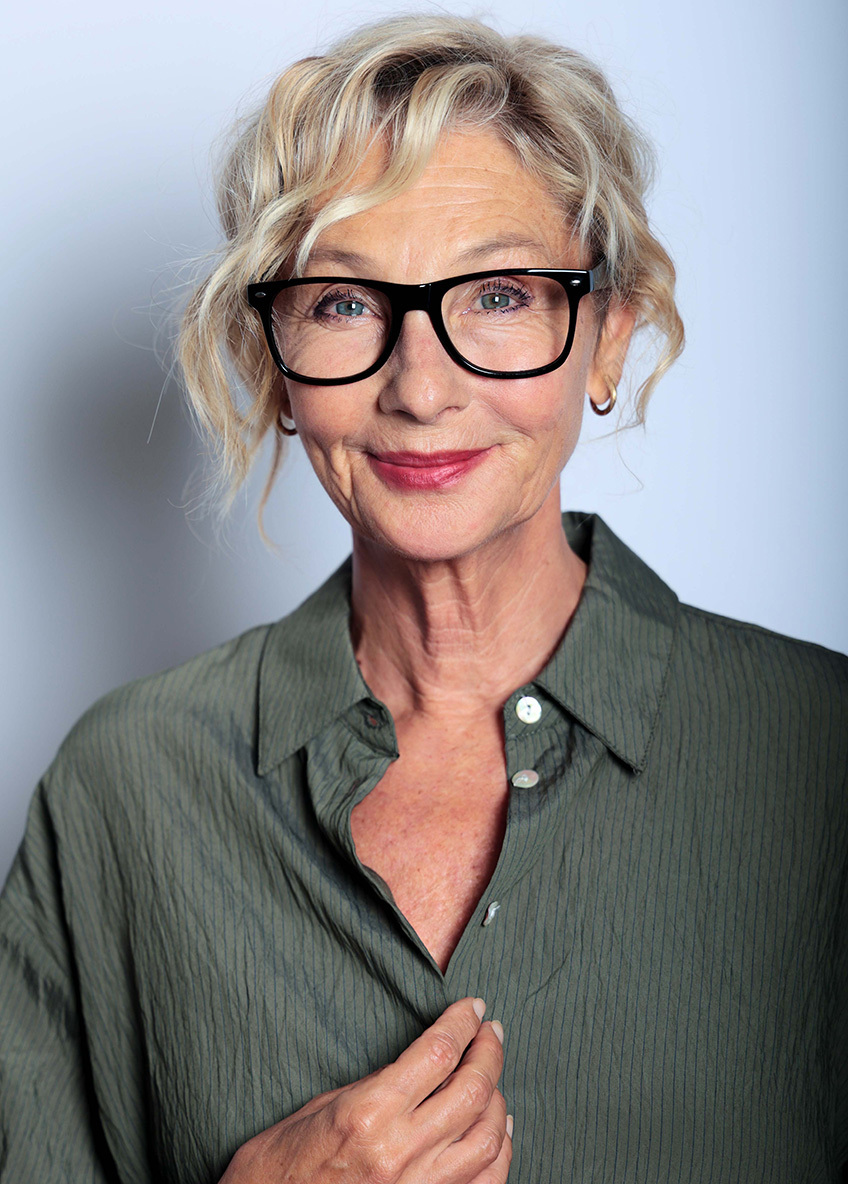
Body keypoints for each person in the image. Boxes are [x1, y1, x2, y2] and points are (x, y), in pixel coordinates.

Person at [1, 13, 846, 1184]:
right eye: (343, 303)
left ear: (606, 335)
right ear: (274, 363)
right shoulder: (126, 788)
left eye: (497, 293)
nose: (421, 386)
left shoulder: (814, 753)